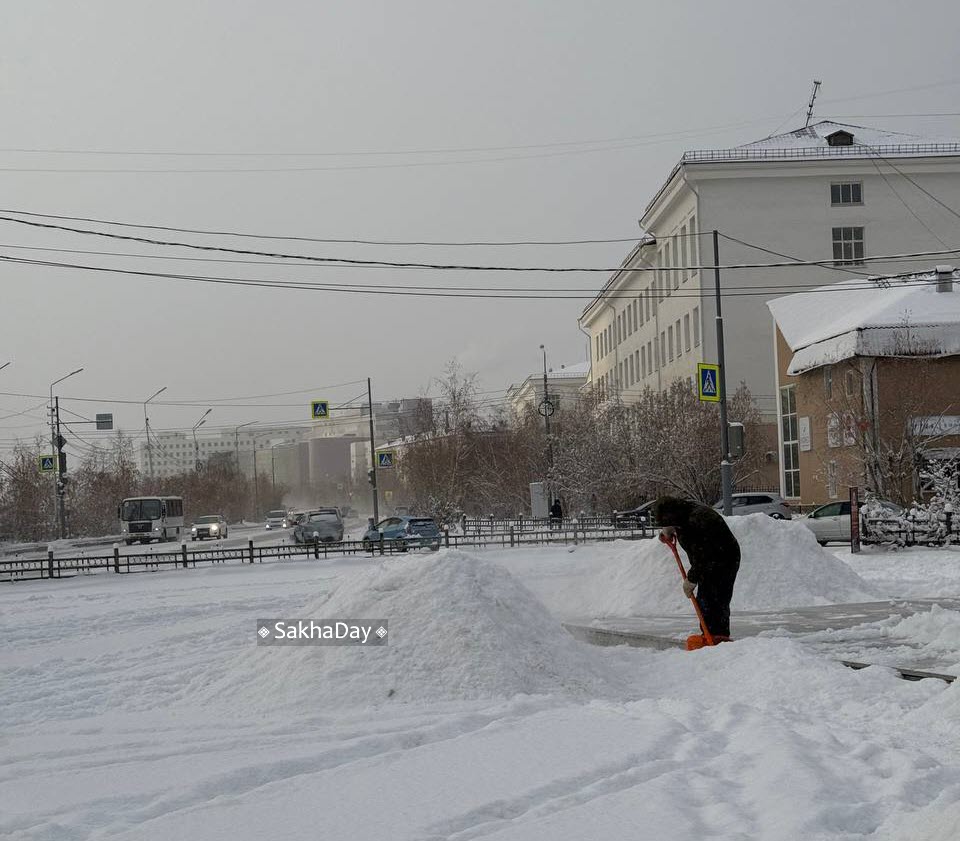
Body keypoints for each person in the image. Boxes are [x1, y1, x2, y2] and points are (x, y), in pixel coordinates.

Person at [652, 496, 740, 644]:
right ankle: (711, 635)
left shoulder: (698, 521)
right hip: (709, 559)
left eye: (668, 522)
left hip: (724, 559)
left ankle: (718, 637)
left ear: (673, 515)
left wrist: (691, 579)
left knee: (715, 599)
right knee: (706, 600)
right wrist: (669, 529)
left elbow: (704, 555)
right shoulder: (683, 515)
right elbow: (699, 554)